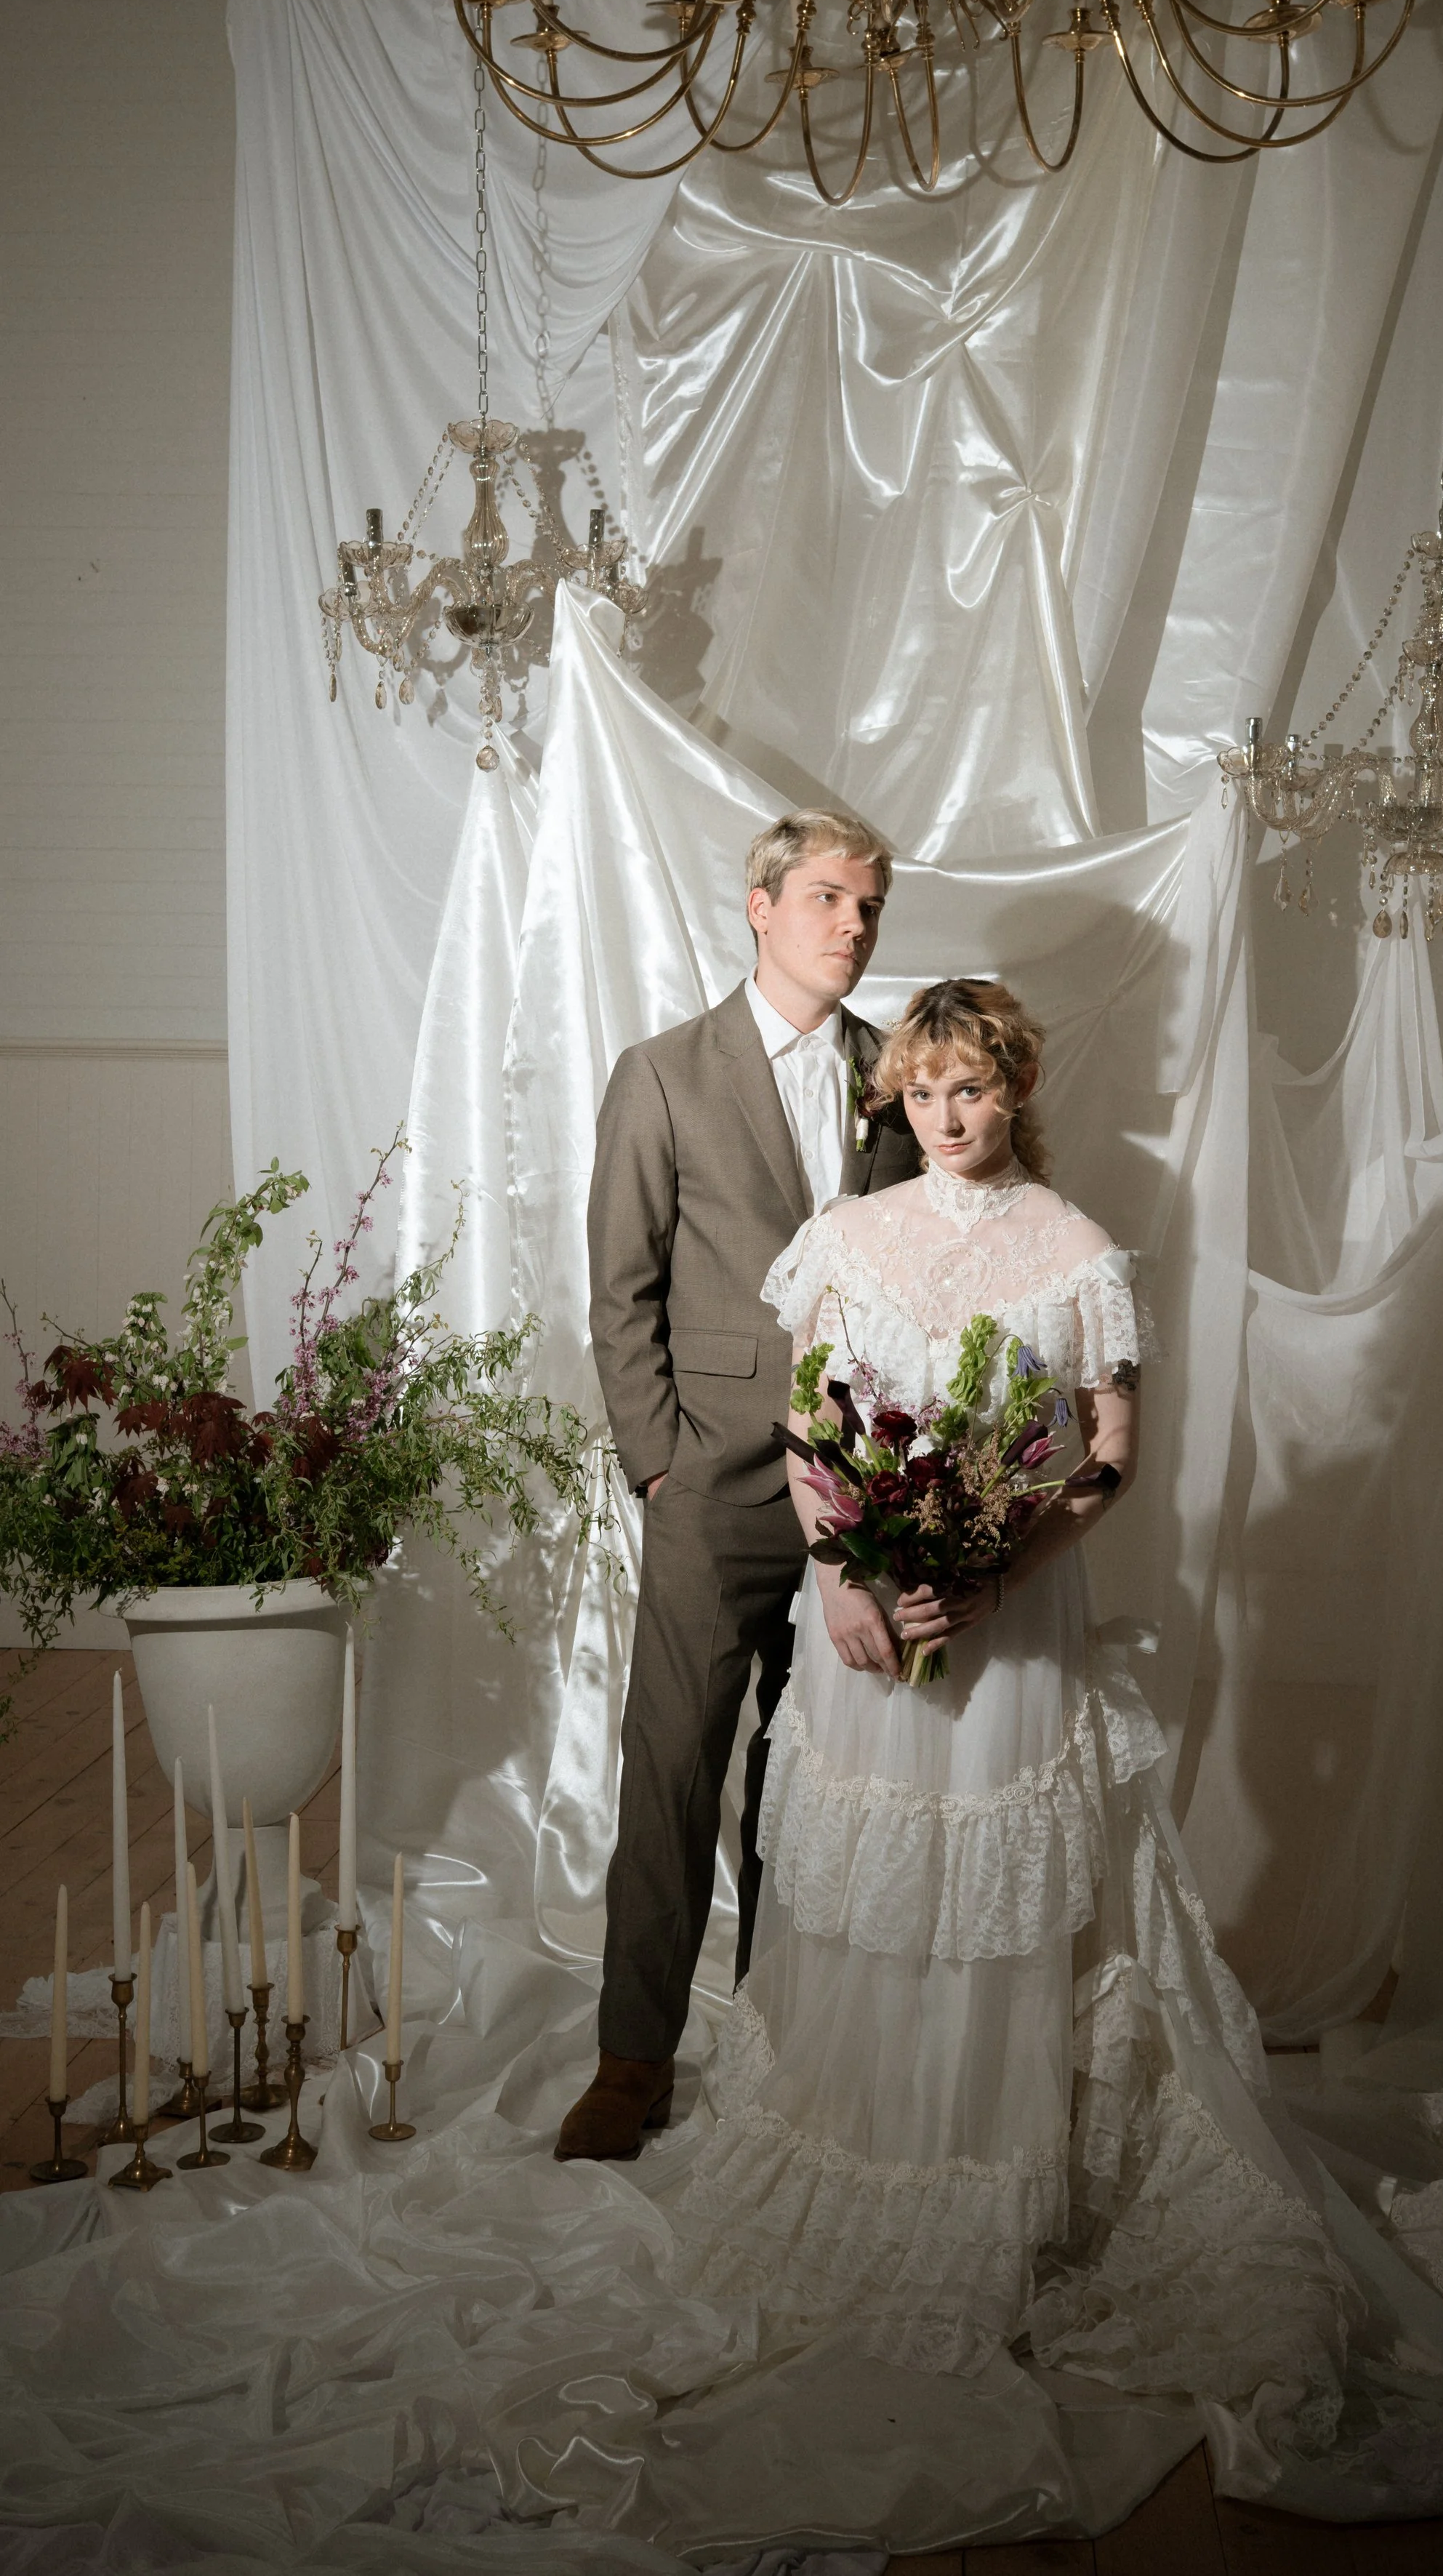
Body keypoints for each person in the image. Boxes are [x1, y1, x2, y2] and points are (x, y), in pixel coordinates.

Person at [662, 976, 1364, 2394]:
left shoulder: (1072, 1250)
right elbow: (807, 1431)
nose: (944, 1116)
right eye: (920, 1093)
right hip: (860, 1614)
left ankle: (983, 2178)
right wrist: (845, 1575)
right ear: (894, 1099)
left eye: (968, 1089)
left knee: (990, 1902)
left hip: (1011, 1623)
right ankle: (862, 2162)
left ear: (1014, 1088)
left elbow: (1107, 1451)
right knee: (868, 1891)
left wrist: (994, 1575)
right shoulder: (845, 1240)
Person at [556, 810, 921, 2164]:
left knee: (810, 1780)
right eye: (829, 898)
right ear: (760, 905)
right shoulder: (663, 1074)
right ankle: (631, 2060)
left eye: (871, 906)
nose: (854, 925)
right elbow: (619, 1289)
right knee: (672, 1773)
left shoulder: (900, 1076)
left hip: (861, 1494)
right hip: (708, 1483)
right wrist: (659, 1460)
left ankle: (783, 2037)